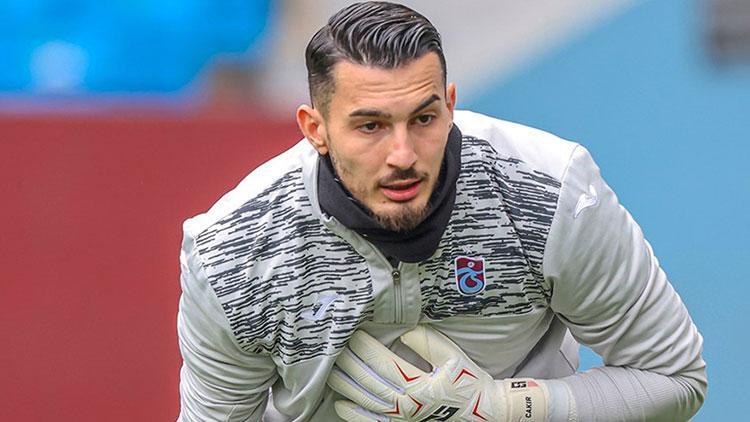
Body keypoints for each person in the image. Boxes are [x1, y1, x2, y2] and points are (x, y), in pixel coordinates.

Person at [176, 2, 706, 421]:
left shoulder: (553, 192)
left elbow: (675, 377)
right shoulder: (233, 253)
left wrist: (506, 408)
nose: (403, 155)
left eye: (424, 118)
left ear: (450, 104)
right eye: (370, 126)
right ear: (316, 129)